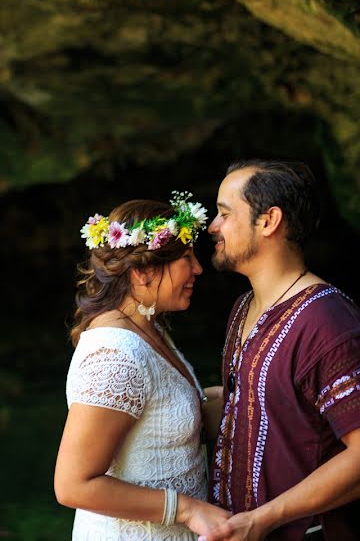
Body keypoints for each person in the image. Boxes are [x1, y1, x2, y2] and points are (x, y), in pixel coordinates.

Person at [201, 159, 360, 541]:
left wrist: (262, 520)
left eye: (225, 214)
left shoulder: (327, 320)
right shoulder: (244, 307)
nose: (213, 225)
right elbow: (251, 406)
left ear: (268, 221)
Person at [54, 194, 231, 540]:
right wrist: (188, 508)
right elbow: (72, 484)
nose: (198, 269)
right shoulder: (115, 355)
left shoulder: (147, 328)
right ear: (143, 271)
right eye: (186, 258)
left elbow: (164, 410)